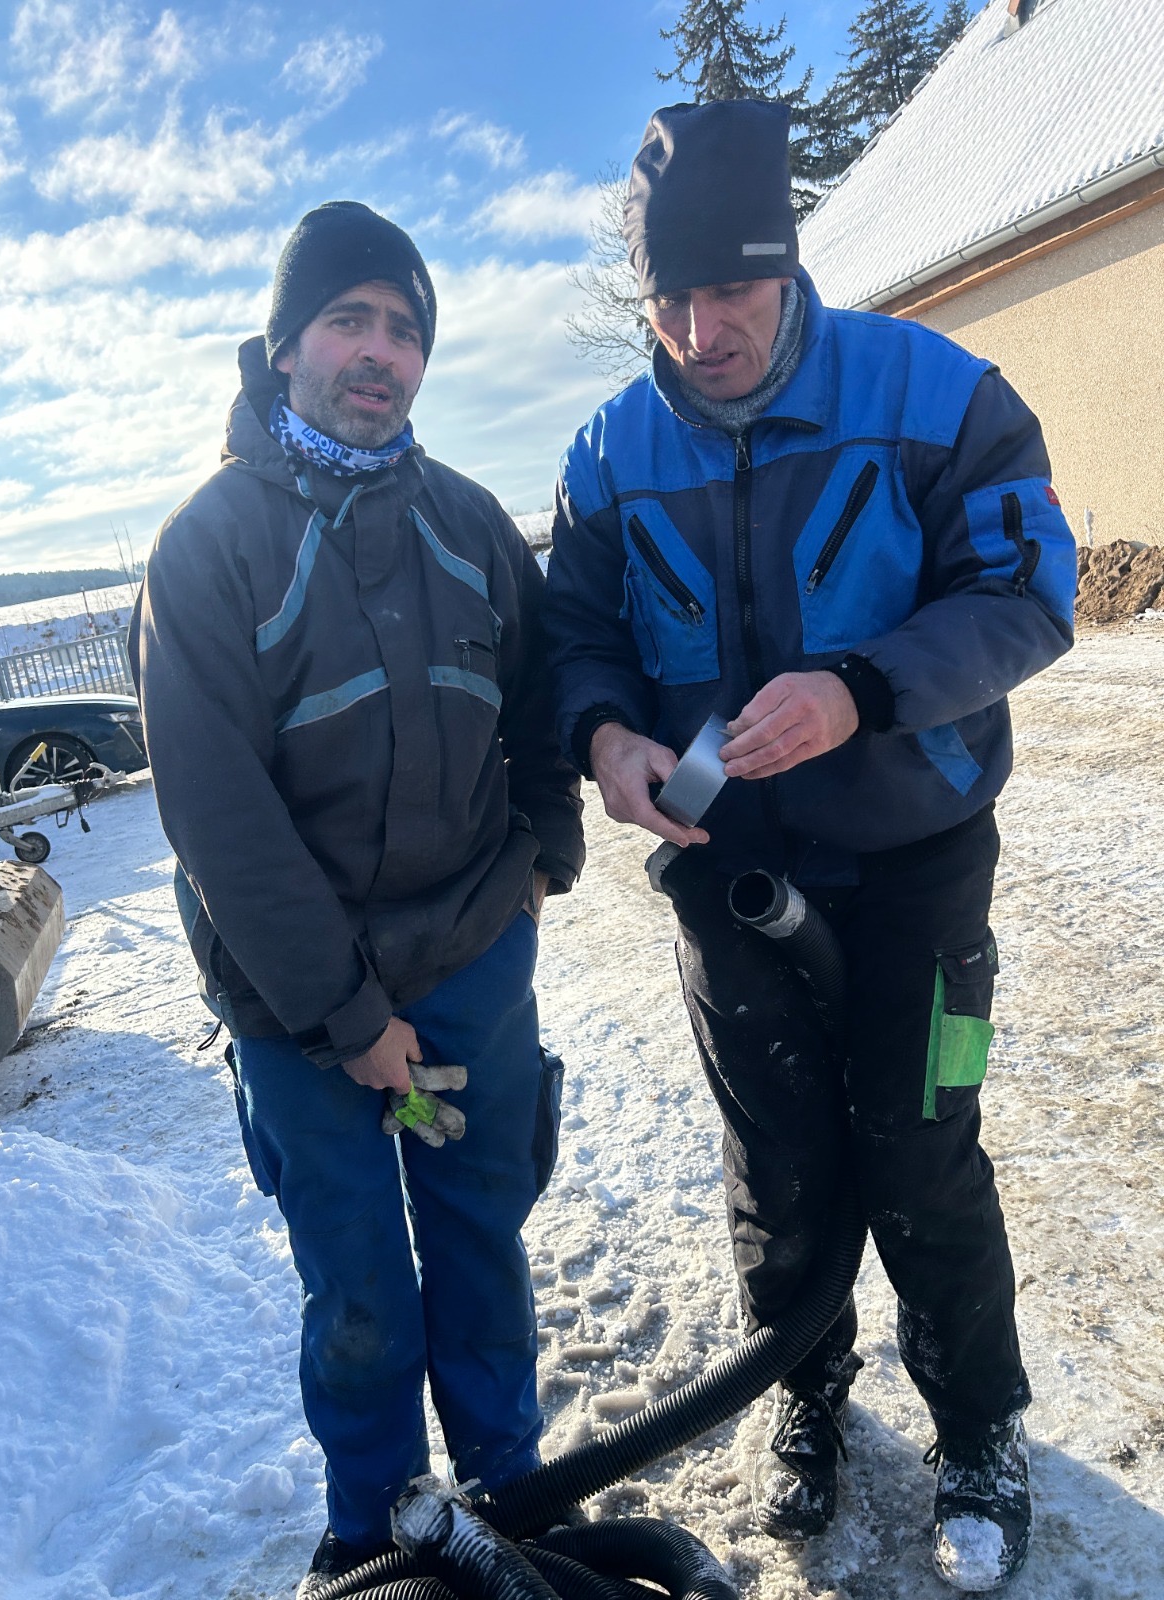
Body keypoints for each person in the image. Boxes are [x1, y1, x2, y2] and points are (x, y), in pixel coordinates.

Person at [543, 100, 1075, 1592]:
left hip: (919, 861)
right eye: (671, 297)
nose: (699, 331)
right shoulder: (606, 454)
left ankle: (980, 1425)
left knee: (923, 1147)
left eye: (733, 290)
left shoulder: (933, 392)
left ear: (788, 267)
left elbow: (1031, 591)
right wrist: (605, 736)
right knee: (776, 1160)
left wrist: (863, 690)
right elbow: (575, 637)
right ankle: (806, 1387)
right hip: (725, 872)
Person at [132, 201, 584, 1596]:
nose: (378, 351)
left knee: (479, 1241)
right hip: (299, 1010)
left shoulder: (469, 524)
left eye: (403, 327)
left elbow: (540, 700)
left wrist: (545, 853)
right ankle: (376, 1526)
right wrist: (346, 1015)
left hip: (467, 972)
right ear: (286, 347)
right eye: (348, 320)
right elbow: (218, 816)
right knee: (361, 1285)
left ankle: (507, 1491)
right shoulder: (209, 547)